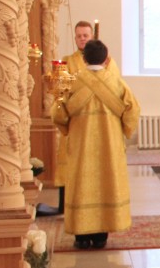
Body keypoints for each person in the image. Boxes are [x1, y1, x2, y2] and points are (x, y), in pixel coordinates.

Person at [51, 39, 139, 249]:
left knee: (81, 184)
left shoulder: (72, 83)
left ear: (84, 59)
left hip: (80, 147)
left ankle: (82, 238)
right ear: (106, 59)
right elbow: (133, 111)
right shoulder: (117, 83)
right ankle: (101, 236)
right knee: (106, 183)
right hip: (109, 147)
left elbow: (58, 114)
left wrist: (67, 128)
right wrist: (124, 130)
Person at [46, 20, 121, 216]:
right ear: (75, 38)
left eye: (85, 36)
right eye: (79, 36)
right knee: (73, 166)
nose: (82, 39)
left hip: (102, 124)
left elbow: (114, 85)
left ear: (92, 37)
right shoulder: (67, 61)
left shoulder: (108, 62)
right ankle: (67, 204)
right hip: (78, 125)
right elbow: (61, 91)